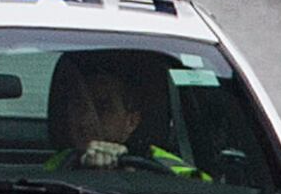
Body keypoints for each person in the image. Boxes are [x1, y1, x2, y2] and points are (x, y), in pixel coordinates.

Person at [43, 51, 192, 179]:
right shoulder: (58, 165)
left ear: (131, 122)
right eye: (79, 105)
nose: (86, 118)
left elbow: (203, 191)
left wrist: (132, 175)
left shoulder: (171, 168)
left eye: (102, 108)